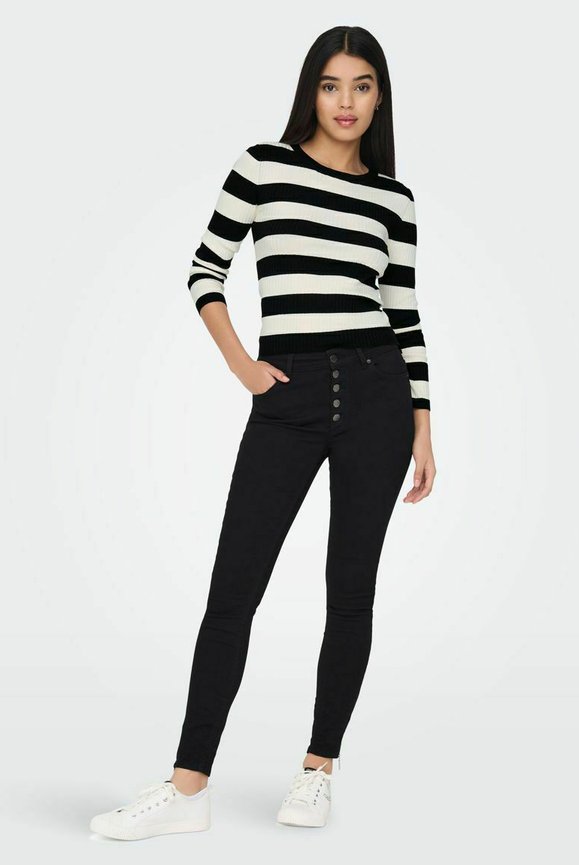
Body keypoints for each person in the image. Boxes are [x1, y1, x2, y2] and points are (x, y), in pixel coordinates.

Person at [90, 24, 436, 840]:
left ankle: (318, 769)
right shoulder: (263, 166)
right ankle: (187, 787)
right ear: (310, 90)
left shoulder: (394, 199)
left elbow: (406, 316)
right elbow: (204, 268)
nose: (346, 102)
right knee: (234, 589)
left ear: (380, 97)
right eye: (330, 84)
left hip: (381, 395)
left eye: (361, 86)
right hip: (288, 392)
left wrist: (424, 425)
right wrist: (243, 364)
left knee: (351, 589)